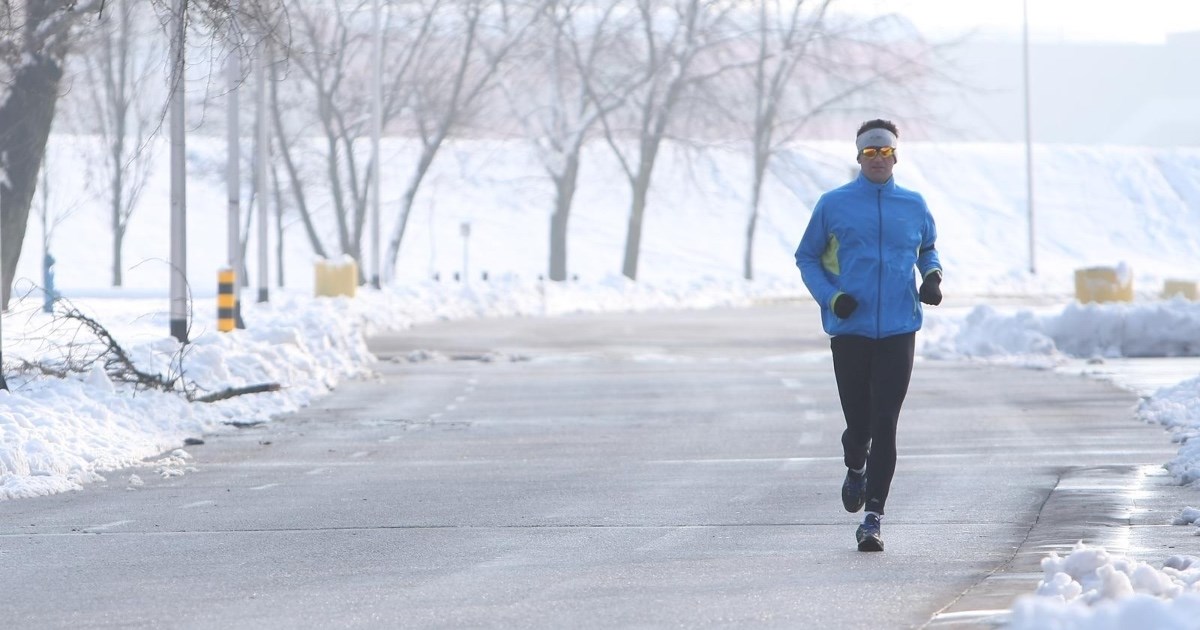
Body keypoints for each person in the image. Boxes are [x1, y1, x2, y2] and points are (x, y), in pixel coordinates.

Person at [793, 119, 942, 552]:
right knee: (860, 424)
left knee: (885, 422)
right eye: (870, 153)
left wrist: (931, 277)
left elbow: (927, 247)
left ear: (896, 156)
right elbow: (807, 258)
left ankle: (873, 517)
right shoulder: (834, 204)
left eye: (885, 152)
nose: (878, 159)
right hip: (851, 329)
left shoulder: (913, 204)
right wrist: (831, 298)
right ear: (859, 157)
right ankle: (854, 462)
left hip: (899, 327)